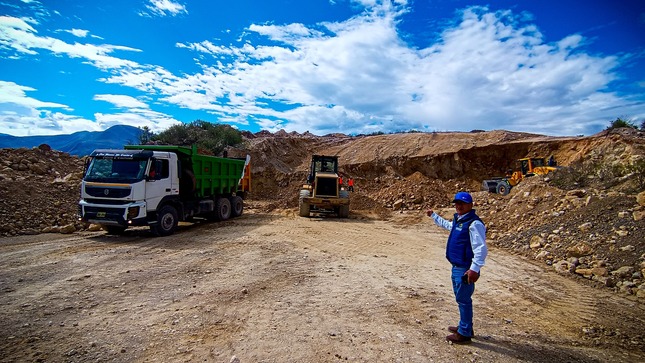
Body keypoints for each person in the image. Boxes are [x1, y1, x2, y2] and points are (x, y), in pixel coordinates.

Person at [426, 191, 488, 344]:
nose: (459, 206)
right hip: (456, 266)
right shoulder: (460, 220)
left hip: (465, 268)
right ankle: (465, 326)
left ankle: (465, 332)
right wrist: (434, 216)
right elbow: (448, 226)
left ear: (470, 205)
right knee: (461, 298)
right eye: (457, 203)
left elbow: (481, 248)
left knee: (463, 299)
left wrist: (474, 268)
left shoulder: (474, 224)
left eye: (462, 203)